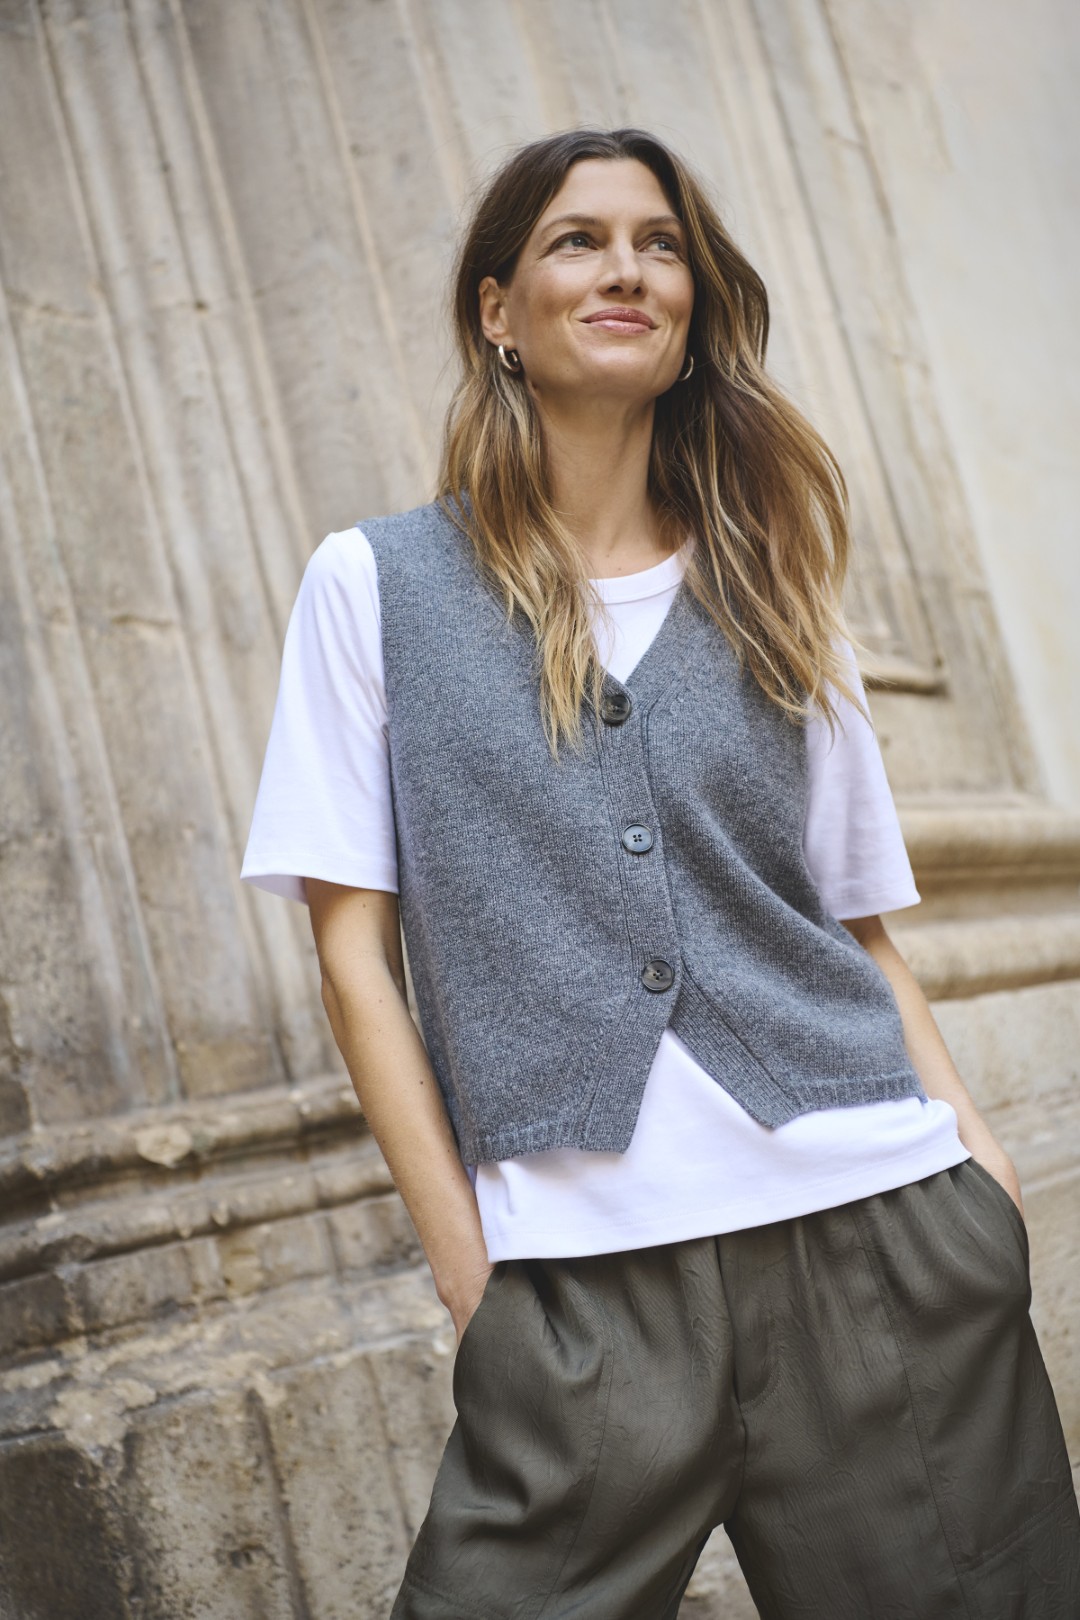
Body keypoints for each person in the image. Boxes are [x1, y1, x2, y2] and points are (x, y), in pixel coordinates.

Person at [240, 127, 1080, 1619]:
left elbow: (857, 928)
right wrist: (473, 1279)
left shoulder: (775, 590)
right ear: (498, 309)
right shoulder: (373, 587)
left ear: (692, 309)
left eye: (660, 243)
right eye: (577, 239)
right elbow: (352, 960)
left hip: (882, 1242)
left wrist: (979, 1165)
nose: (625, 267)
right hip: (578, 1293)